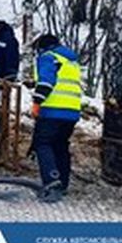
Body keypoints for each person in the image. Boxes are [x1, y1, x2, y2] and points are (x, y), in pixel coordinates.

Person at [30, 34, 82, 203]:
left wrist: (37, 102)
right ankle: (63, 183)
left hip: (53, 110)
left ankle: (52, 182)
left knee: (43, 144)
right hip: (72, 111)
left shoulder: (48, 57)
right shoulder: (71, 60)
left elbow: (46, 81)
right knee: (60, 145)